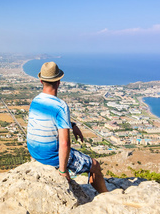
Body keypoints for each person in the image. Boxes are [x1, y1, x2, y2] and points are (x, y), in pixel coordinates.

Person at [26, 61, 108, 193]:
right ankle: (106, 197)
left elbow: (49, 121)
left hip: (35, 152)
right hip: (50, 156)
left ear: (41, 81)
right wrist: (63, 170)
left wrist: (72, 125)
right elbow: (65, 143)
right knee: (95, 165)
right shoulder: (60, 106)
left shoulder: (35, 101)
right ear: (59, 82)